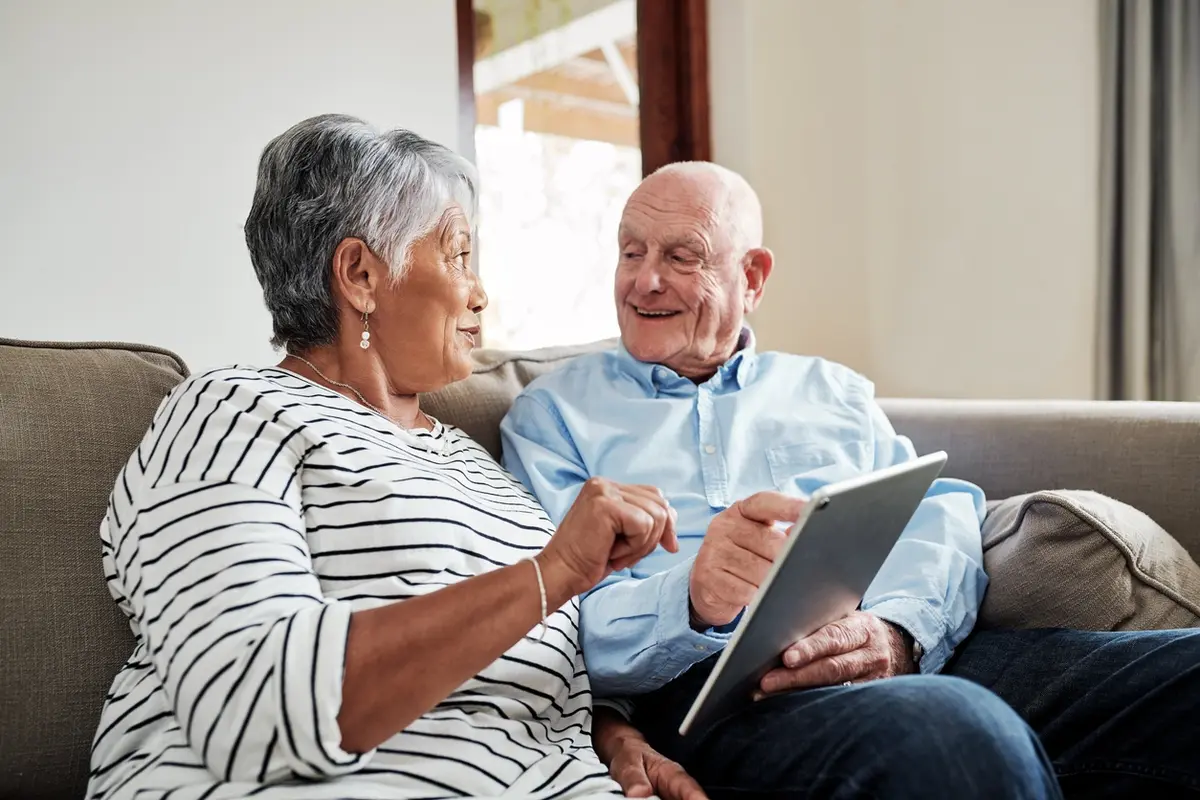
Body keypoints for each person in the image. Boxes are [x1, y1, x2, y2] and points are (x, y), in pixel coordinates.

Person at [500, 161, 1200, 799]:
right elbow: (544, 617)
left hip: (904, 654)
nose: (644, 280)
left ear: (752, 277)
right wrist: (690, 596)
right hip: (708, 700)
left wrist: (897, 631)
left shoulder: (826, 388)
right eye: (631, 252)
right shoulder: (553, 415)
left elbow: (937, 514)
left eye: (681, 257)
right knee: (954, 730)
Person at [88, 114, 708, 800]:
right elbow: (252, 705)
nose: (480, 292)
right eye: (459, 254)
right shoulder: (233, 412)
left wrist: (613, 739)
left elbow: (526, 677)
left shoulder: (479, 468)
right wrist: (553, 572)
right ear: (359, 275)